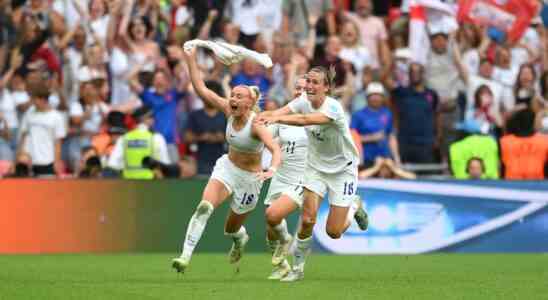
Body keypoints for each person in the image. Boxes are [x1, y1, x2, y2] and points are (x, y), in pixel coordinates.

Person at [172, 47, 281, 274]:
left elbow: (274, 147)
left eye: (239, 96)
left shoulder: (256, 124)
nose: (233, 98)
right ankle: (184, 257)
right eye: (232, 94)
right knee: (204, 207)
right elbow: (200, 88)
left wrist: (273, 167)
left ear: (250, 103)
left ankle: (239, 239)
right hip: (227, 168)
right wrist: (191, 58)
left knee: (231, 228)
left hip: (250, 179)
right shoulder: (228, 110)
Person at [258, 66, 369, 282]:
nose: (309, 86)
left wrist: (274, 118)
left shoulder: (333, 108)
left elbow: (303, 120)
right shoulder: (302, 101)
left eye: (315, 82)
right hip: (315, 168)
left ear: (326, 87)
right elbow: (282, 111)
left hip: (342, 171)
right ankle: (298, 269)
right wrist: (264, 116)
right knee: (308, 219)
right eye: (308, 81)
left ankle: (354, 205)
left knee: (334, 232)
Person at [263, 75, 308, 280]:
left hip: (303, 178)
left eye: (304, 89)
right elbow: (264, 134)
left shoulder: (318, 118)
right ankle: (281, 266)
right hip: (281, 175)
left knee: (273, 214)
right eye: (297, 88)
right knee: (270, 227)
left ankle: (289, 245)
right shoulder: (283, 116)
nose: (299, 92)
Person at [106, 106, 170, 179]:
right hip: (150, 184)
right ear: (144, 119)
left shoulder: (124, 138)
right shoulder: (156, 138)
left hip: (128, 184)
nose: (154, 120)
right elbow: (165, 165)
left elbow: (112, 164)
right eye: (151, 117)